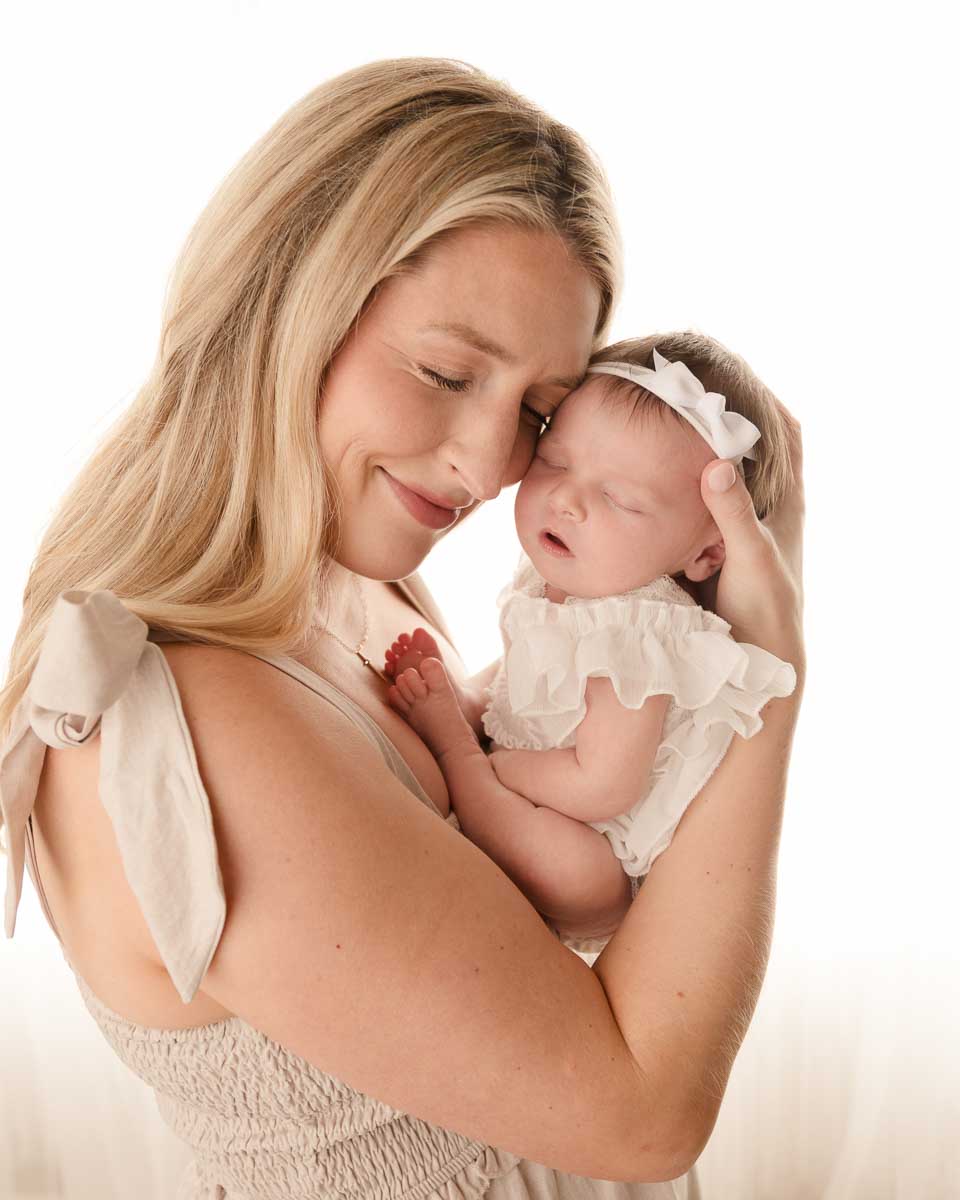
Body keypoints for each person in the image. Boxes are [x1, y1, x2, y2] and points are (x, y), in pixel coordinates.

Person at [0, 58, 805, 1199]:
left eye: (535, 410)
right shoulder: (198, 714)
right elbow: (644, 1115)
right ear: (287, 303)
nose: (486, 467)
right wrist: (764, 678)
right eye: (442, 371)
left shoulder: (357, 595)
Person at [383, 333, 798, 954]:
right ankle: (465, 729)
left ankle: (457, 756)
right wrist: (476, 699)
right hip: (547, 790)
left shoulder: (641, 632)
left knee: (578, 870)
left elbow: (603, 785)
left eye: (619, 499)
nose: (567, 500)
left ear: (706, 553)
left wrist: (491, 761)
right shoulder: (572, 586)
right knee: (482, 713)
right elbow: (529, 688)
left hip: (598, 850)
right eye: (554, 461)